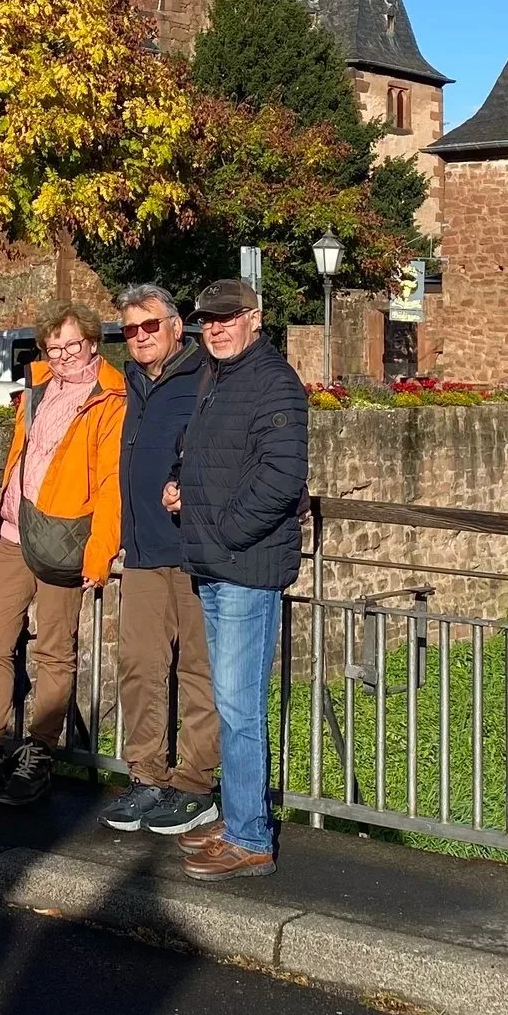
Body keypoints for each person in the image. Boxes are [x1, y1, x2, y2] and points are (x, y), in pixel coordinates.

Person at [0, 304, 124, 809]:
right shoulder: (36, 390)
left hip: (66, 539)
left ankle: (38, 754)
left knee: (54, 652)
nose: (61, 356)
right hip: (15, 534)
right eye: (53, 347)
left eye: (71, 345)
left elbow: (110, 485)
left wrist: (99, 554)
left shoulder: (111, 399)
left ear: (92, 344)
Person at [170, 278, 308, 881]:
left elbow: (281, 479)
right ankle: (239, 819)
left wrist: (221, 530)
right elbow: (205, 455)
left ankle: (251, 837)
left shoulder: (273, 382)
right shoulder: (218, 377)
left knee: (240, 704)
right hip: (218, 560)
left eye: (227, 319)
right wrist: (183, 489)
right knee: (231, 703)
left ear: (255, 318)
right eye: (207, 321)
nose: (215, 329)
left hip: (244, 565)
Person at [97, 284, 220, 836]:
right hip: (143, 548)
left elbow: (222, 446)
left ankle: (195, 784)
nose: (141, 337)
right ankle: (147, 776)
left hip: (193, 548)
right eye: (130, 329)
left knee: (198, 669)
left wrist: (190, 484)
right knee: (141, 665)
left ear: (176, 326)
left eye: (151, 326)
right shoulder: (130, 383)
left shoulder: (204, 375)